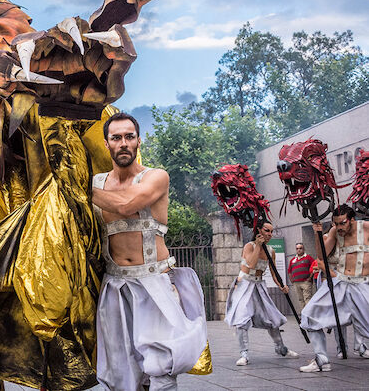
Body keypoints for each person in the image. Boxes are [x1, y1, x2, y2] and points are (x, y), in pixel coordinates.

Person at [92, 113, 208, 390]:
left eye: (129, 137)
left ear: (138, 141)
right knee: (122, 373)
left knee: (161, 368)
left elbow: (126, 204)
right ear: (106, 144)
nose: (123, 143)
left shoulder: (156, 177)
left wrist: (76, 186)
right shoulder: (96, 181)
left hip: (154, 281)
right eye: (116, 137)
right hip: (115, 285)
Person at [299, 204, 369, 373]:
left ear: (352, 220)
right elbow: (322, 255)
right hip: (341, 283)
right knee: (309, 315)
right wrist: (317, 232)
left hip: (363, 284)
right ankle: (322, 360)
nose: (339, 227)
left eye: (342, 223)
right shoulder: (335, 232)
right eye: (336, 224)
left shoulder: (366, 228)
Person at [224, 222, 299, 366]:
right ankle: (244, 354)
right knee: (241, 319)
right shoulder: (249, 246)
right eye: (267, 231)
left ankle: (280, 348)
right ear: (259, 230)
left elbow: (273, 272)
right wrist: (258, 245)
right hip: (244, 284)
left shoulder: (271, 251)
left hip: (259, 285)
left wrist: (281, 285)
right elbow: (251, 265)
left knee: (271, 317)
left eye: (271, 231)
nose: (270, 234)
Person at [288, 243, 315, 309]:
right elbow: (289, 271)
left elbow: (314, 266)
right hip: (296, 283)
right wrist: (292, 280)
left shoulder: (308, 257)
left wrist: (310, 277)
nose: (299, 250)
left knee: (307, 298)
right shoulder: (292, 260)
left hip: (306, 282)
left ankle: (308, 316)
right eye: (297, 248)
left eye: (300, 248)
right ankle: (303, 316)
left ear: (303, 249)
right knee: (301, 299)